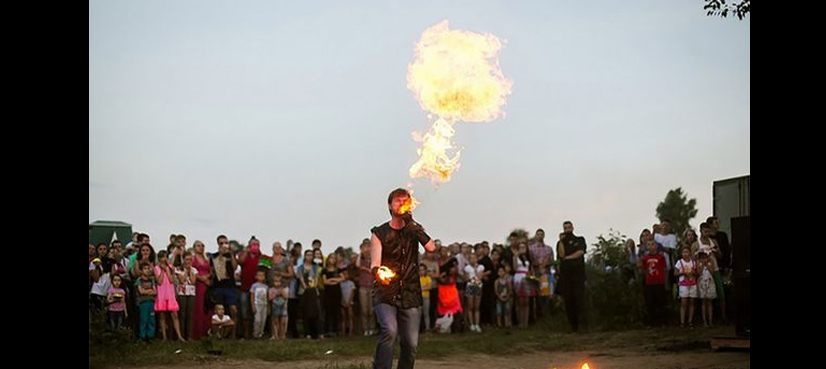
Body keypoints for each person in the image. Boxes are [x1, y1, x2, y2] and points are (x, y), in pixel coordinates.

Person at [370, 188, 436, 369]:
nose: (401, 203)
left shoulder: (413, 230)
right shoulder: (379, 232)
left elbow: (431, 247)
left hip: (410, 292)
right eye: (397, 201)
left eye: (404, 200)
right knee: (389, 331)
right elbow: (374, 263)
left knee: (410, 344)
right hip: (386, 292)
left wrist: (412, 224)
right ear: (390, 206)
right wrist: (379, 273)